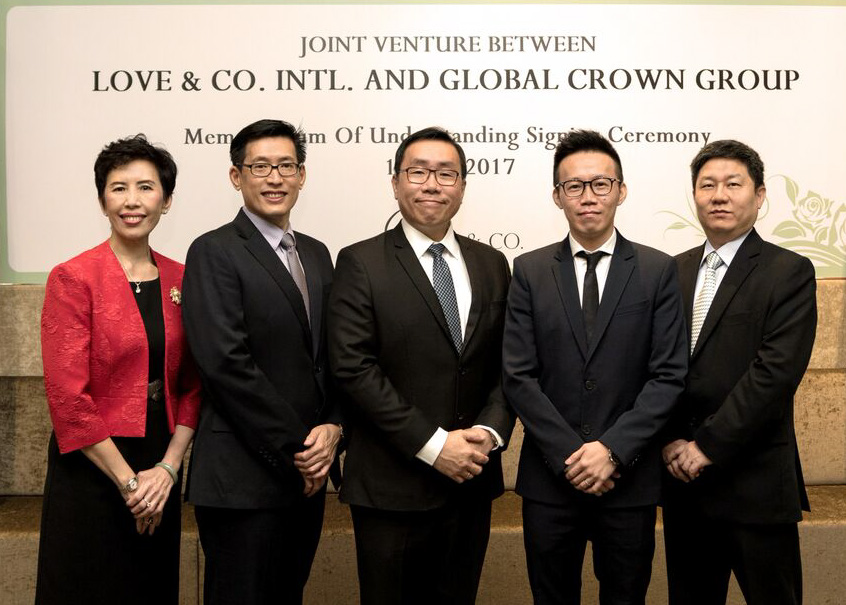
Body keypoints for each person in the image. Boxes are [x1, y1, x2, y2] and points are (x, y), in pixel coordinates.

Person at [328, 126, 515, 605]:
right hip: (392, 487)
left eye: (446, 174)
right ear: (395, 183)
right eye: (418, 172)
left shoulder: (492, 263)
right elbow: (353, 368)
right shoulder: (360, 262)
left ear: (463, 186)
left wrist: (489, 432)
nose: (432, 184)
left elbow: (509, 362)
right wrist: (434, 446)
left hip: (471, 482)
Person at [502, 129, 687, 604]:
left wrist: (612, 450)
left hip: (628, 480)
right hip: (550, 480)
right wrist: (572, 455)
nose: (588, 196)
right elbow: (518, 376)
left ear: (621, 191)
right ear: (557, 196)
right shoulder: (529, 271)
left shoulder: (657, 270)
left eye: (601, 184)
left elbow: (668, 375)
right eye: (574, 186)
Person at [181, 119, 341, 605]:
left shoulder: (317, 254)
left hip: (306, 477)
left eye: (286, 166)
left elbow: (330, 357)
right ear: (237, 176)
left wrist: (334, 426)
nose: (275, 178)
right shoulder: (213, 250)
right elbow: (225, 364)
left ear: (302, 175)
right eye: (261, 167)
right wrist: (300, 447)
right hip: (242, 477)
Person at [36, 134, 200, 604]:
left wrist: (167, 469)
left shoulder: (183, 277)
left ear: (166, 201)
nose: (132, 201)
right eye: (119, 188)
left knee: (150, 588)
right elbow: (68, 398)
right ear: (102, 200)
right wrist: (131, 484)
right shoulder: (73, 277)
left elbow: (193, 385)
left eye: (146, 187)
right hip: (92, 467)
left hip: (159, 464)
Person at [661, 140, 817, 605]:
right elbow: (655, 367)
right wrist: (670, 440)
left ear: (760, 195)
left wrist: (706, 446)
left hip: (755, 484)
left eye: (733, 184)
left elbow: (774, 374)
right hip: (684, 484)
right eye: (707, 185)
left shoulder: (788, 271)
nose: (719, 196)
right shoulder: (671, 271)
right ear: (694, 195)